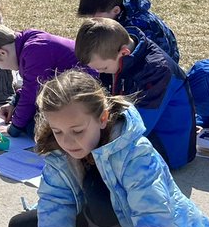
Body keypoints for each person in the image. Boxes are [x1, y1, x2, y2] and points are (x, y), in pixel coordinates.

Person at [7, 70, 209, 227]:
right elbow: (55, 201)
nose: (67, 142)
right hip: (89, 212)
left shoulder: (136, 154)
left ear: (102, 119)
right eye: (58, 131)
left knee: (98, 195)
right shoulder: (59, 151)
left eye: (77, 131)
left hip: (131, 221)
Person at [75, 18, 196, 169]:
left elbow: (137, 126)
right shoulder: (114, 53)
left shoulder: (157, 71)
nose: (100, 73)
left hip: (167, 146)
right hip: (139, 132)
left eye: (103, 68)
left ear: (124, 52)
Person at [0, 23, 85, 137]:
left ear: (1, 53)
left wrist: (14, 128)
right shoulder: (26, 41)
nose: (1, 68)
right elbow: (30, 85)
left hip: (82, 94)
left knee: (37, 127)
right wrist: (14, 103)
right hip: (67, 90)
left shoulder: (35, 51)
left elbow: (31, 95)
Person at [76, 0, 180, 64]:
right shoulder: (114, 5)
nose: (92, 21)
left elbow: (143, 58)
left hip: (161, 66)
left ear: (116, 10)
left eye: (95, 17)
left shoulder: (138, 26)